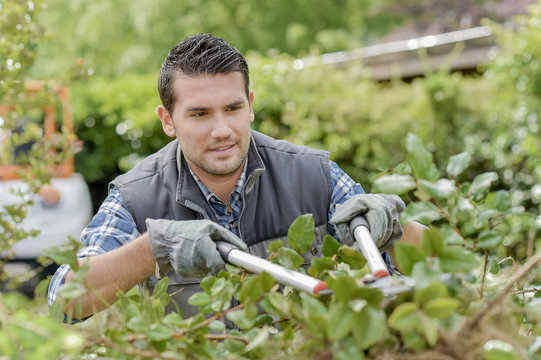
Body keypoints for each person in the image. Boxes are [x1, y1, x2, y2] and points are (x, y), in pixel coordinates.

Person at [48, 33, 416, 321]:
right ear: (167, 120)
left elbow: (434, 263)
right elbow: (65, 301)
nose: (222, 129)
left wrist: (396, 227)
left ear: (251, 105)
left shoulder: (313, 174)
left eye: (233, 108)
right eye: (200, 114)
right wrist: (152, 249)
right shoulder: (135, 198)